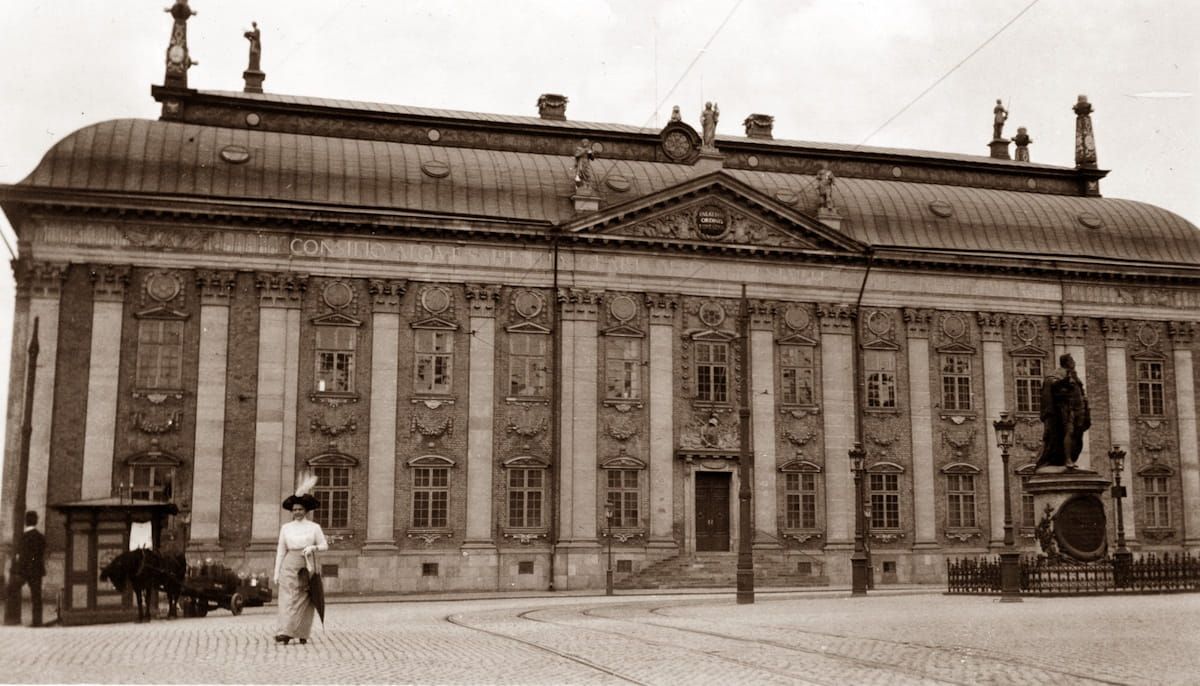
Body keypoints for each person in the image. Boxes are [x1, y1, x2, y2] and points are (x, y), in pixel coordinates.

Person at [273, 486, 327, 645]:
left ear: (306, 511)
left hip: (307, 564)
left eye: (300, 509)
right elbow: (281, 551)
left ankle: (302, 631)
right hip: (289, 564)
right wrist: (277, 572)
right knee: (287, 598)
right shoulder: (286, 528)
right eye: (294, 509)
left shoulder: (314, 527)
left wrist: (313, 547)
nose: (297, 512)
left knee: (304, 599)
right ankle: (285, 631)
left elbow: (324, 545)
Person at [1036, 353, 1091, 471]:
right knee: (1068, 433)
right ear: (1067, 362)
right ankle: (1067, 459)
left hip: (1078, 410)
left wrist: (1085, 407)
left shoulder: (1074, 375)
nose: (1074, 363)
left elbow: (1080, 392)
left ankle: (1070, 458)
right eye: (1072, 360)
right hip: (1066, 410)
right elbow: (1054, 387)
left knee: (1077, 435)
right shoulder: (1056, 375)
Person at [4, 511, 46, 627]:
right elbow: (40, 554)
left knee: (11, 590)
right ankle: (37, 622)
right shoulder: (41, 537)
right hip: (36, 570)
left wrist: (18, 568)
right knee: (36, 597)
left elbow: (20, 555)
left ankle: (11, 619)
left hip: (23, 571)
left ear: (25, 522)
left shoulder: (22, 537)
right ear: (36, 521)